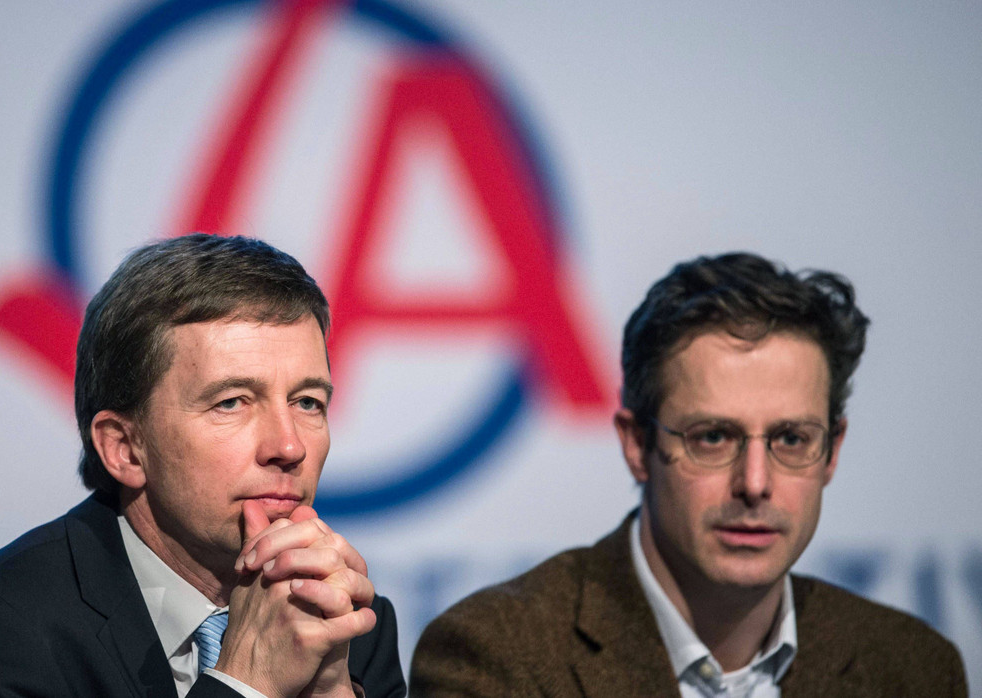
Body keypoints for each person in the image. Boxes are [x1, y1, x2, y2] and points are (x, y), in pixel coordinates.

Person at [410, 252, 967, 697]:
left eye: (791, 439)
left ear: (832, 451)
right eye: (713, 438)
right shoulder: (499, 659)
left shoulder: (912, 668)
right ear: (636, 444)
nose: (754, 483)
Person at [0, 233, 406, 698]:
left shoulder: (349, 619)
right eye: (232, 402)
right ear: (125, 449)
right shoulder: (1, 630)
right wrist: (246, 683)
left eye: (307, 402)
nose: (289, 446)